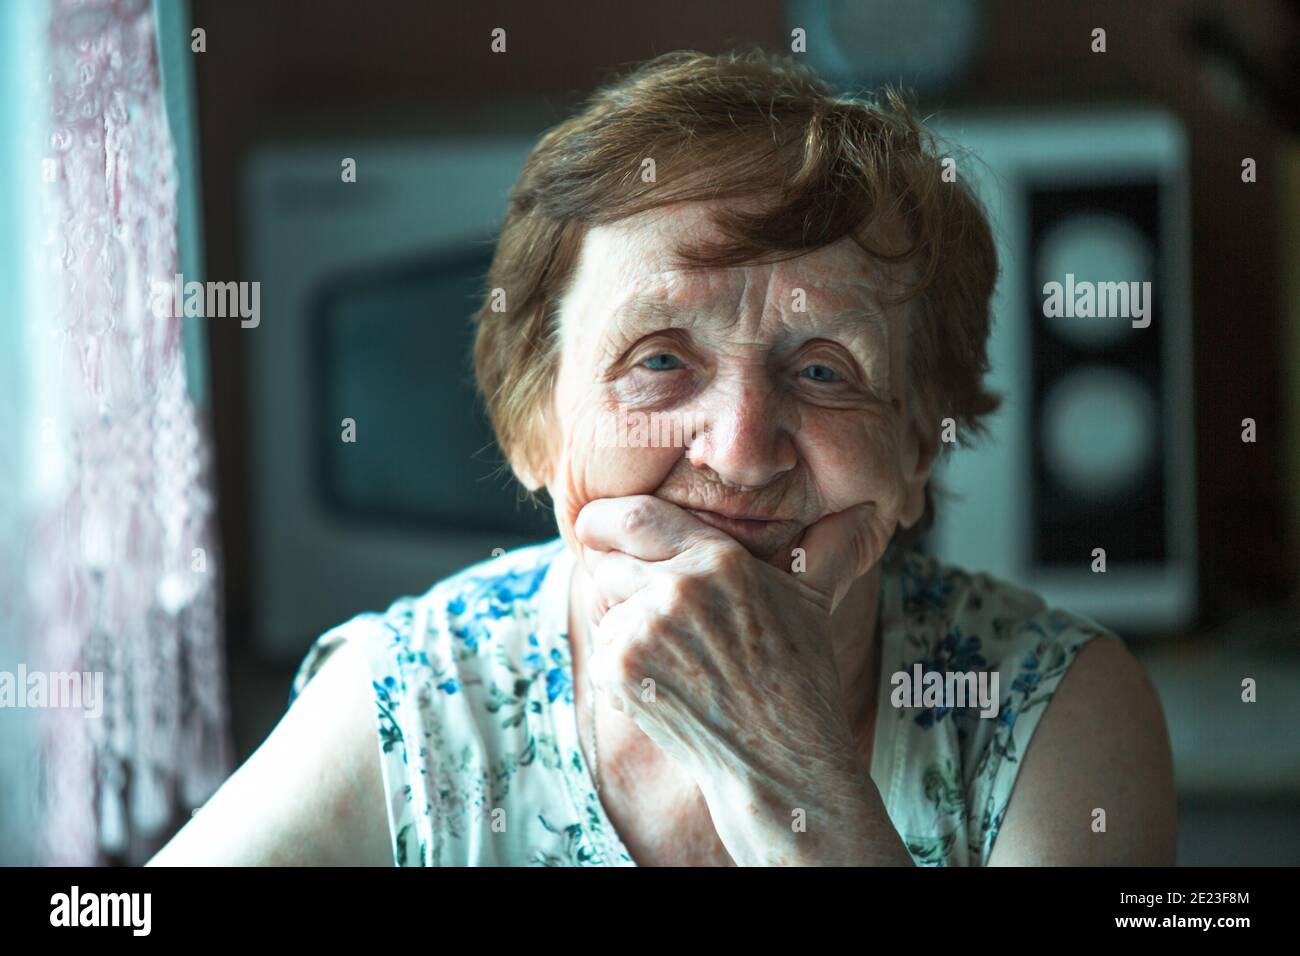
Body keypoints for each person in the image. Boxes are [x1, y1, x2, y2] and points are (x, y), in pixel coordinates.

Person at [149, 49, 1175, 867]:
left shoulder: (1053, 712)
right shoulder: (418, 703)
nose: (739, 448)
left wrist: (794, 774)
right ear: (533, 427)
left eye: (822, 370)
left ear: (916, 445)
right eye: (658, 359)